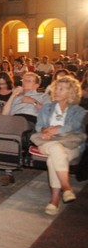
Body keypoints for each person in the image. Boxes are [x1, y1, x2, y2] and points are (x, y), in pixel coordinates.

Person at [30, 76, 86, 215]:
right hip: (47, 142)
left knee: (53, 158)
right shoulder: (47, 108)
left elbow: (75, 125)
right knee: (55, 148)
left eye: (62, 89)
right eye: (56, 88)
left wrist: (55, 130)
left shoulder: (78, 110)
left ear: (71, 93)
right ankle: (66, 187)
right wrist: (45, 131)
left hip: (69, 144)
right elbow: (39, 126)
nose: (57, 91)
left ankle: (55, 199)